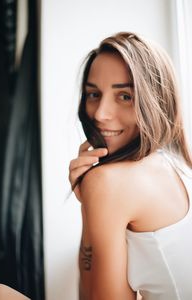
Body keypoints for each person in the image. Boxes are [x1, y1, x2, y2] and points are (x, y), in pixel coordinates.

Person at [68, 32, 192, 300]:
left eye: (125, 96)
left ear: (156, 98)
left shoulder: (107, 183)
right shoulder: (179, 162)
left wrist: (90, 202)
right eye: (93, 94)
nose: (100, 114)